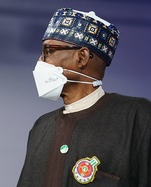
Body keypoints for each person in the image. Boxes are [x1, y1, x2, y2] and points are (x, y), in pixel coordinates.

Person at [17, 8, 151, 186]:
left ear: (82, 58)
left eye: (48, 51)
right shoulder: (42, 127)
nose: (41, 61)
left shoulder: (137, 117)